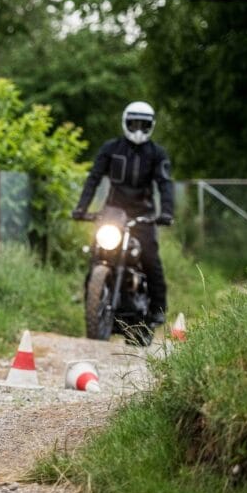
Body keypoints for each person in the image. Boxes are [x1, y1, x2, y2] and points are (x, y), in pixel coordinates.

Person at [72, 101, 174, 330]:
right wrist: (81, 208)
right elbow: (94, 177)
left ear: (151, 126)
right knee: (97, 254)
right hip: (112, 212)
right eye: (133, 123)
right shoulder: (111, 148)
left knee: (150, 259)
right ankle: (93, 300)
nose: (138, 129)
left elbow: (165, 184)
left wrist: (166, 212)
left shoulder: (157, 153)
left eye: (143, 124)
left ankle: (158, 310)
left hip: (143, 215)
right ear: (125, 122)